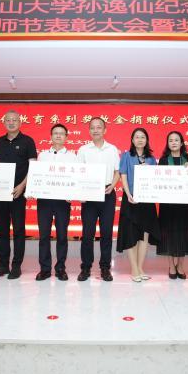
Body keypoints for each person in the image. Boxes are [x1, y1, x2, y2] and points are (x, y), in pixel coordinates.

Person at [0, 110, 37, 280]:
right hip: (0, 193)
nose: (11, 122)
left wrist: (22, 186)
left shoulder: (28, 141)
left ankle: (16, 266)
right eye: (8, 120)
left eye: (14, 120)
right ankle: (3, 265)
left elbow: (33, 167)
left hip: (18, 193)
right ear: (4, 123)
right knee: (2, 230)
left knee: (18, 230)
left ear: (20, 122)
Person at [76, 117, 120, 282]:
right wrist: (81, 193)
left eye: (99, 127)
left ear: (105, 130)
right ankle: (86, 267)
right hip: (89, 195)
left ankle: (105, 268)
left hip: (107, 193)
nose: (96, 130)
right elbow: (78, 172)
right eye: (93, 128)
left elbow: (117, 171)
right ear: (89, 131)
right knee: (87, 233)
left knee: (106, 233)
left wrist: (112, 185)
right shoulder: (83, 150)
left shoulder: (112, 149)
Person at [117, 128, 161, 282]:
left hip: (147, 201)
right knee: (131, 234)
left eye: (143, 137)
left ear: (146, 140)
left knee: (144, 235)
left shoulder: (151, 159)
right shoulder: (126, 156)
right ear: (132, 140)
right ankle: (134, 268)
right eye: (137, 137)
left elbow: (155, 179)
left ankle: (140, 267)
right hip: (130, 199)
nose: (140, 139)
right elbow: (123, 175)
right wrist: (128, 194)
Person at [34, 124, 77, 281]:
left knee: (62, 236)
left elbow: (76, 179)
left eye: (61, 133)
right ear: (51, 136)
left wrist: (72, 193)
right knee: (44, 235)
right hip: (44, 200)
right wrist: (33, 190)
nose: (58, 136)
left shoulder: (73, 157)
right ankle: (45, 269)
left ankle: (60, 268)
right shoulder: (42, 156)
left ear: (66, 137)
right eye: (55, 133)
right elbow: (36, 176)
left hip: (62, 201)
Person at [157, 131, 188, 280]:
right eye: (171, 140)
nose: (173, 143)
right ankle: (171, 266)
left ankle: (180, 265)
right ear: (168, 144)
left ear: (181, 143)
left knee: (183, 234)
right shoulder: (163, 161)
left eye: (176, 140)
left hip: (184, 204)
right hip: (167, 204)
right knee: (168, 234)